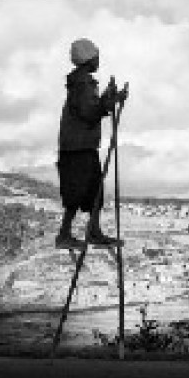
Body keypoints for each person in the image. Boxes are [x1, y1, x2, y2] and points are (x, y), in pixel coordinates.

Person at [55, 38, 128, 250]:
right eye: (96, 57)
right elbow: (89, 112)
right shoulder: (84, 83)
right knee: (80, 192)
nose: (98, 60)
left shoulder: (81, 82)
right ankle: (71, 234)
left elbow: (90, 108)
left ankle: (88, 231)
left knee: (90, 190)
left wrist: (108, 98)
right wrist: (110, 101)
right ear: (89, 59)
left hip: (78, 146)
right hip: (79, 147)